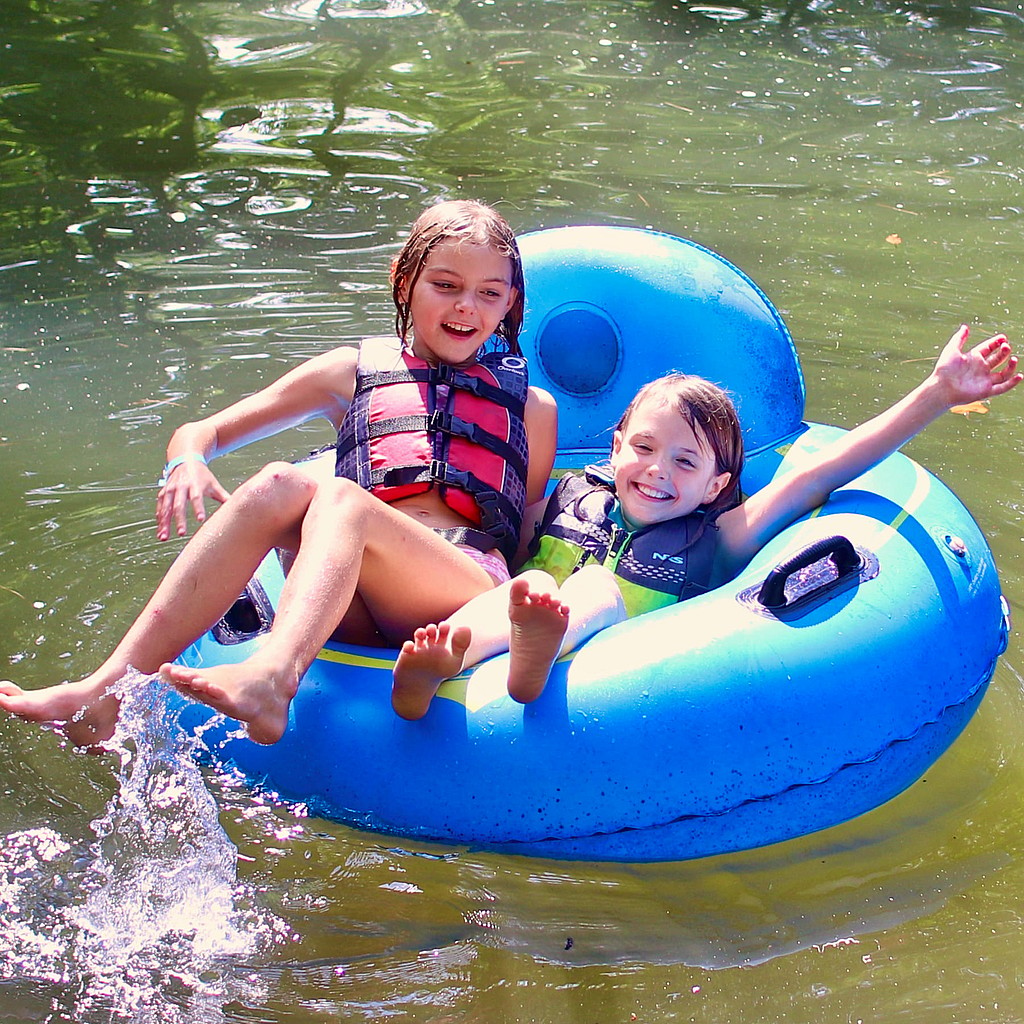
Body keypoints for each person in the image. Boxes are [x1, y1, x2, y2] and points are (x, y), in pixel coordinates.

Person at [0, 199, 558, 747]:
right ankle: (105, 692)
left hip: (459, 582)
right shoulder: (349, 372)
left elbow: (523, 526)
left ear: (510, 303)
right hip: (351, 593)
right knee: (277, 482)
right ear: (405, 278)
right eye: (446, 285)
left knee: (338, 498)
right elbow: (202, 432)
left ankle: (273, 678)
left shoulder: (532, 409)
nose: (467, 307)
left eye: (489, 294)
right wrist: (187, 461)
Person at [391, 324, 1020, 718]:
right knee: (517, 588)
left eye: (685, 462)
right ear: (614, 449)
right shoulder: (563, 499)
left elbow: (821, 472)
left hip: (625, 669)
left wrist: (937, 393)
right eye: (643, 448)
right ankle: (444, 657)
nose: (657, 471)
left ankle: (540, 648)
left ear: (716, 485)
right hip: (521, 616)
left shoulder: (720, 537)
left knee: (592, 590)